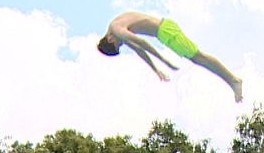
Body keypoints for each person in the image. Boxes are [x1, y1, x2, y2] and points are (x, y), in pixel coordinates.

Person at [97, 11, 243, 102]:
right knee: (197, 58)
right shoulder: (115, 27)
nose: (122, 43)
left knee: (198, 57)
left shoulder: (117, 30)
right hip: (165, 30)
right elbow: (139, 50)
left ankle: (233, 80)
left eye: (119, 44)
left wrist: (163, 60)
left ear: (110, 39)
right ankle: (232, 80)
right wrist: (155, 69)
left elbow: (141, 43)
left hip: (165, 31)